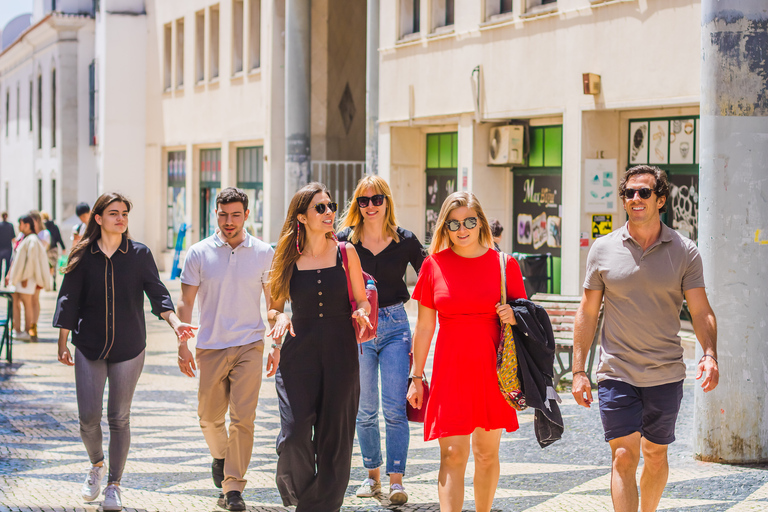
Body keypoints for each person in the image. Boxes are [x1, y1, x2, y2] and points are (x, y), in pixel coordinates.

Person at [571, 165, 719, 512]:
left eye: (644, 192)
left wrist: (709, 354)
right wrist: (579, 371)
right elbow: (588, 313)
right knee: (623, 455)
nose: (635, 199)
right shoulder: (603, 249)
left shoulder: (684, 250)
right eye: (629, 193)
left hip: (665, 373)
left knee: (654, 454)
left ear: (661, 199)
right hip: (616, 372)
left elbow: (700, 310)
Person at [53, 193, 195, 512]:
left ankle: (114, 484)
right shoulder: (82, 254)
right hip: (89, 345)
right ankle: (96, 464)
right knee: (89, 418)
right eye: (114, 213)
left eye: (125, 213)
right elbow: (68, 299)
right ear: (98, 219)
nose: (121, 218)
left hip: (130, 346)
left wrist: (175, 323)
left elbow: (157, 294)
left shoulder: (139, 254)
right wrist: (62, 341)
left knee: (118, 417)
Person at [407, 191, 527, 512]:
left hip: (493, 372)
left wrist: (512, 315)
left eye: (469, 221)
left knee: (486, 454)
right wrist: (416, 377)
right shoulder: (433, 266)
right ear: (444, 227)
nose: (462, 229)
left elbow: (526, 317)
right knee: (453, 454)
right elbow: (424, 328)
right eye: (454, 223)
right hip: (451, 372)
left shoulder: (505, 265)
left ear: (481, 223)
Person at [267, 182, 372, 512]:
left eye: (331, 206)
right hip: (298, 354)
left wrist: (360, 311)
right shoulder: (286, 256)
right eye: (321, 208)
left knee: (335, 440)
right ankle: (304, 497)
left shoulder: (347, 252)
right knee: (295, 433)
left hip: (341, 352)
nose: (330, 213)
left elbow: (362, 300)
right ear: (302, 216)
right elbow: (273, 306)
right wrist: (279, 319)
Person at [176, 187, 274, 512]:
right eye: (222, 214)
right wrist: (183, 345)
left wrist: (276, 344)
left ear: (247, 215)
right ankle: (220, 456)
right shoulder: (198, 253)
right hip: (210, 346)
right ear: (214, 214)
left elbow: (274, 303)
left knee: (243, 420)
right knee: (208, 417)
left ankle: (233, 487)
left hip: (250, 343)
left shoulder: (263, 252)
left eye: (235, 215)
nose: (228, 221)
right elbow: (186, 301)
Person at [337, 175, 425, 505]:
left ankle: (397, 481)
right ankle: (372, 475)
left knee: (394, 408)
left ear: (387, 201)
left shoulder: (405, 240)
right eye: (364, 200)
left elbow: (431, 276)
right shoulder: (345, 240)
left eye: (377, 200)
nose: (371, 206)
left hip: (395, 325)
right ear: (357, 205)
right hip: (357, 326)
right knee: (365, 409)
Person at [7, 215, 51, 341]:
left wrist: (25, 277)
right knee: (15, 302)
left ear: (27, 225)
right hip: (19, 278)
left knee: (27, 304)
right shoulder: (26, 238)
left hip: (26, 278)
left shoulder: (32, 239)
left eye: (21, 224)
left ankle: (27, 330)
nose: (19, 227)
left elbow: (31, 261)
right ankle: (17, 330)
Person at [42, 211, 66, 290]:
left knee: (46, 265)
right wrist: (63, 247)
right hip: (54, 248)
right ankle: (54, 282)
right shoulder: (55, 226)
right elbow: (59, 237)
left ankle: (47, 284)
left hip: (46, 249)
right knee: (54, 265)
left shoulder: (43, 226)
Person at [0, 212, 15, 280]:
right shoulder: (10, 225)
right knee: (7, 264)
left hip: (1, 248)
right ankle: (6, 280)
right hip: (8, 248)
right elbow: (13, 237)